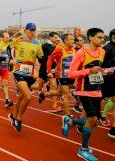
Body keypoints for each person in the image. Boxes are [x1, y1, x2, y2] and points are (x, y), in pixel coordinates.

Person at [64, 28, 106, 161]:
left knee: (94, 122)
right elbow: (70, 73)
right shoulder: (81, 53)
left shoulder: (102, 52)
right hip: (84, 90)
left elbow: (99, 70)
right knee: (92, 120)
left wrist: (106, 71)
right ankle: (84, 150)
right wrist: (88, 70)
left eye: (103, 37)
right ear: (91, 38)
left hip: (97, 90)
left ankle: (70, 120)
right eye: (100, 37)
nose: (103, 39)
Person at [8, 23, 43, 132]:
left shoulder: (37, 43)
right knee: (28, 97)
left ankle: (13, 115)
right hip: (19, 71)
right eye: (31, 30)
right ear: (25, 30)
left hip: (30, 73)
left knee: (21, 97)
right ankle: (18, 119)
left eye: (34, 30)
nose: (33, 32)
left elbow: (40, 56)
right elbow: (8, 48)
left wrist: (41, 56)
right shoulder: (18, 40)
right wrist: (11, 59)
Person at [43, 34, 76, 116]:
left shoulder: (74, 50)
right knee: (67, 95)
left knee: (58, 92)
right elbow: (50, 59)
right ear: (65, 40)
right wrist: (49, 71)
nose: (73, 41)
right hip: (61, 75)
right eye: (71, 39)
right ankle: (67, 116)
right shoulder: (59, 49)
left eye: (73, 39)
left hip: (71, 76)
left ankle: (44, 94)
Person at [101, 29, 115, 137]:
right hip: (107, 79)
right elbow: (101, 64)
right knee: (95, 100)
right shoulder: (107, 48)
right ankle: (80, 122)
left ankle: (113, 129)